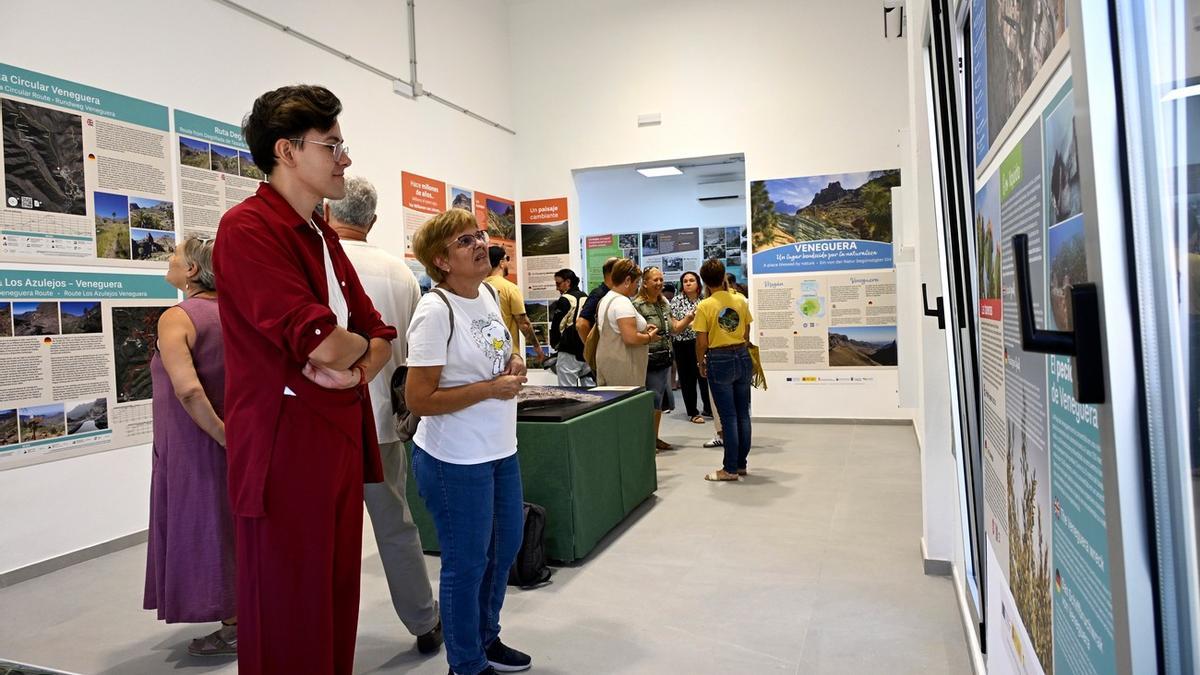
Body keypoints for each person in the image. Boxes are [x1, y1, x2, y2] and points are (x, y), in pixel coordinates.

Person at [213, 84, 398, 675]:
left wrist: (356, 362)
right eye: (333, 144)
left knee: (336, 597)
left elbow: (374, 330)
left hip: (336, 436)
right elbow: (318, 338)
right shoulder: (247, 229)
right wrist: (347, 353)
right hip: (284, 447)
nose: (345, 158)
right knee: (289, 607)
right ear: (287, 151)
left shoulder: (319, 234)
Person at [405, 208, 532, 675]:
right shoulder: (434, 312)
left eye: (478, 235)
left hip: (500, 449)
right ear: (441, 260)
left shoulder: (486, 297)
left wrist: (514, 361)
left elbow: (497, 350)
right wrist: (490, 389)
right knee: (466, 562)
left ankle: (485, 636)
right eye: (465, 241)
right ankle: (466, 662)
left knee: (504, 548)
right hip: (454, 458)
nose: (481, 244)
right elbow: (419, 398)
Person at [324, 176, 442, 655]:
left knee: (326, 534)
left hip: (328, 421)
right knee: (396, 524)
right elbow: (414, 350)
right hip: (385, 424)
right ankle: (424, 621)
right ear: (371, 221)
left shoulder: (321, 262)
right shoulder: (401, 271)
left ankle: (324, 633)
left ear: (329, 213)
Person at [143, 236, 235, 656]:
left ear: (193, 271)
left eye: (175, 255)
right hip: (229, 437)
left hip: (198, 442)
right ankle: (245, 615)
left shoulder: (176, 317)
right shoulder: (233, 314)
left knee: (206, 528)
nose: (170, 258)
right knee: (229, 526)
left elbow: (189, 392)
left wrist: (221, 437)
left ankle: (235, 624)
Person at [695, 259, 754, 481]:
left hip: (719, 359)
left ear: (705, 281)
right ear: (723, 277)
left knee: (728, 417)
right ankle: (740, 465)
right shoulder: (740, 300)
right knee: (743, 414)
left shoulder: (705, 306)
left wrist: (701, 362)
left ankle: (729, 469)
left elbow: (701, 341)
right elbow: (747, 331)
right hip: (742, 355)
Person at [594, 259, 659, 393]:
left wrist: (641, 328)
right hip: (625, 367)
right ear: (628, 280)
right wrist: (649, 337)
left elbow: (617, 328)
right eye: (636, 282)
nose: (637, 287)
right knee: (627, 406)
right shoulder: (622, 302)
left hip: (608, 363)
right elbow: (630, 338)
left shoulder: (606, 299)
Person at [633, 266, 676, 450]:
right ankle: (645, 441)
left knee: (658, 400)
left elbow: (673, 327)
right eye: (655, 280)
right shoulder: (637, 305)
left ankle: (654, 438)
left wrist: (690, 318)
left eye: (661, 279)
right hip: (647, 358)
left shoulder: (664, 302)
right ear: (645, 282)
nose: (659, 283)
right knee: (649, 400)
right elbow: (633, 332)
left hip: (664, 357)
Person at [485, 245, 544, 363]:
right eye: (507, 259)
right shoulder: (510, 288)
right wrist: (537, 347)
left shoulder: (479, 287)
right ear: (501, 262)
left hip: (485, 352)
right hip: (508, 354)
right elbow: (524, 324)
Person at [669, 271, 713, 424]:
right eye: (685, 281)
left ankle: (708, 408)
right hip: (683, 344)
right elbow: (675, 326)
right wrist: (689, 321)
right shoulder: (676, 301)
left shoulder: (705, 300)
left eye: (691, 280)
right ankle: (693, 412)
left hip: (702, 342)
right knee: (688, 379)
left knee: (705, 376)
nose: (688, 283)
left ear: (698, 283)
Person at [549, 268, 593, 386]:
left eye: (558, 284)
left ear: (568, 282)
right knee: (589, 387)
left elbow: (557, 326)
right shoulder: (586, 296)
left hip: (569, 349)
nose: (557, 288)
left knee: (567, 390)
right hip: (585, 347)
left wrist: (555, 343)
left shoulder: (565, 299)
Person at [575, 256, 619, 342]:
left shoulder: (616, 294)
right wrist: (591, 348)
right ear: (613, 273)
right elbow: (581, 324)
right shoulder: (598, 295)